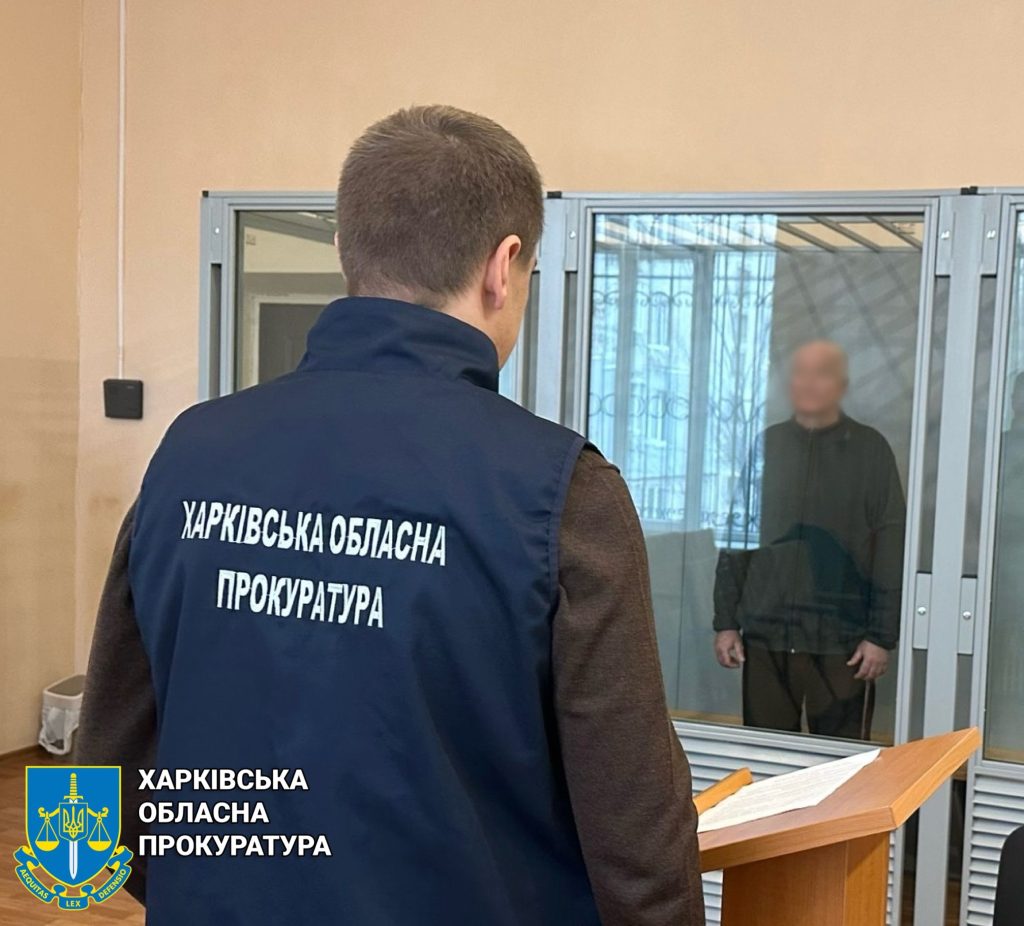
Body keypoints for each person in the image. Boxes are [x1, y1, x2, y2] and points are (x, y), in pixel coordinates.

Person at [76, 106, 704, 926]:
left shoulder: (189, 454)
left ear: (347, 249)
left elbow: (106, 769)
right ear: (503, 267)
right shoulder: (560, 493)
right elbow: (638, 845)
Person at [712, 340, 905, 740]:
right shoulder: (768, 444)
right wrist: (726, 622)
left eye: (822, 373)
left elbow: (890, 545)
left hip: (844, 642)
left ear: (842, 384)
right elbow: (739, 533)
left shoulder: (870, 450)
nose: (809, 383)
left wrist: (880, 636)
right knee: (763, 756)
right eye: (800, 372)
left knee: (840, 764)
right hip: (767, 636)